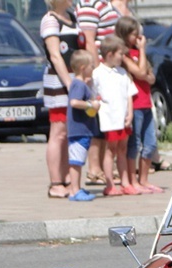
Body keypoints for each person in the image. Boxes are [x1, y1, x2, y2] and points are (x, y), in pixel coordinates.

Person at [41, 0, 84, 199]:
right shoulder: (50, 20)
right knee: (57, 131)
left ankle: (68, 179)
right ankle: (55, 182)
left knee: (68, 132)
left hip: (74, 81)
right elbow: (55, 55)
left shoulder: (72, 18)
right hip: (58, 83)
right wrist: (68, 83)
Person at [115, 16, 162, 194]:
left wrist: (141, 54)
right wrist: (141, 53)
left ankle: (144, 179)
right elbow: (141, 72)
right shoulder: (125, 56)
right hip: (133, 105)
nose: (138, 39)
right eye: (134, 35)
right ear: (125, 34)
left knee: (150, 143)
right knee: (134, 144)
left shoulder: (138, 54)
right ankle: (133, 180)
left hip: (146, 102)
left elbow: (150, 77)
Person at [76, 0, 119, 185]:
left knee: (104, 121)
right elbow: (89, 42)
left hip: (108, 70)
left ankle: (103, 167)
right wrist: (96, 73)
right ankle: (94, 169)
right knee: (97, 120)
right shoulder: (88, 5)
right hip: (100, 71)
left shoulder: (102, 3)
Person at [93, 35, 137, 196]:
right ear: (110, 54)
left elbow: (129, 94)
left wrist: (130, 113)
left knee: (122, 149)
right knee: (110, 150)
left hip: (123, 118)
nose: (122, 57)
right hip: (109, 118)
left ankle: (125, 182)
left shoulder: (122, 72)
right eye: (120, 54)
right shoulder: (98, 73)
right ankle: (110, 184)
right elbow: (93, 94)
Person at [66, 50, 98, 201]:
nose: (93, 68)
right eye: (91, 65)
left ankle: (76, 188)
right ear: (83, 67)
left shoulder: (80, 84)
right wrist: (90, 104)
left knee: (77, 160)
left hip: (81, 130)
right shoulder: (78, 85)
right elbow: (74, 102)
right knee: (76, 161)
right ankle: (74, 190)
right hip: (79, 130)